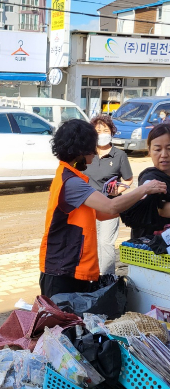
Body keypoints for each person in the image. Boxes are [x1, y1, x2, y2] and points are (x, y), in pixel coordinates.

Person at [39, 120, 166, 299]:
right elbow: (111, 206)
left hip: (71, 265)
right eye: (92, 150)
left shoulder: (71, 177)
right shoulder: (71, 182)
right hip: (62, 268)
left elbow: (104, 213)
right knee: (61, 324)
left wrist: (139, 204)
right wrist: (144, 189)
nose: (94, 155)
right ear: (80, 151)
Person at [84, 115, 133, 275]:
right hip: (87, 206)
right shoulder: (86, 154)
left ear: (112, 132)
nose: (102, 134)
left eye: (106, 130)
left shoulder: (119, 156)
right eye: (98, 131)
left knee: (105, 243)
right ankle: (89, 278)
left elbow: (128, 179)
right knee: (89, 243)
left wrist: (118, 191)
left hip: (109, 207)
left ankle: (106, 279)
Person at [125, 123, 170, 238]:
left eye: (169, 149)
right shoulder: (149, 177)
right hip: (150, 250)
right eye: (157, 149)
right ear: (149, 150)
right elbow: (162, 210)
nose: (164, 155)